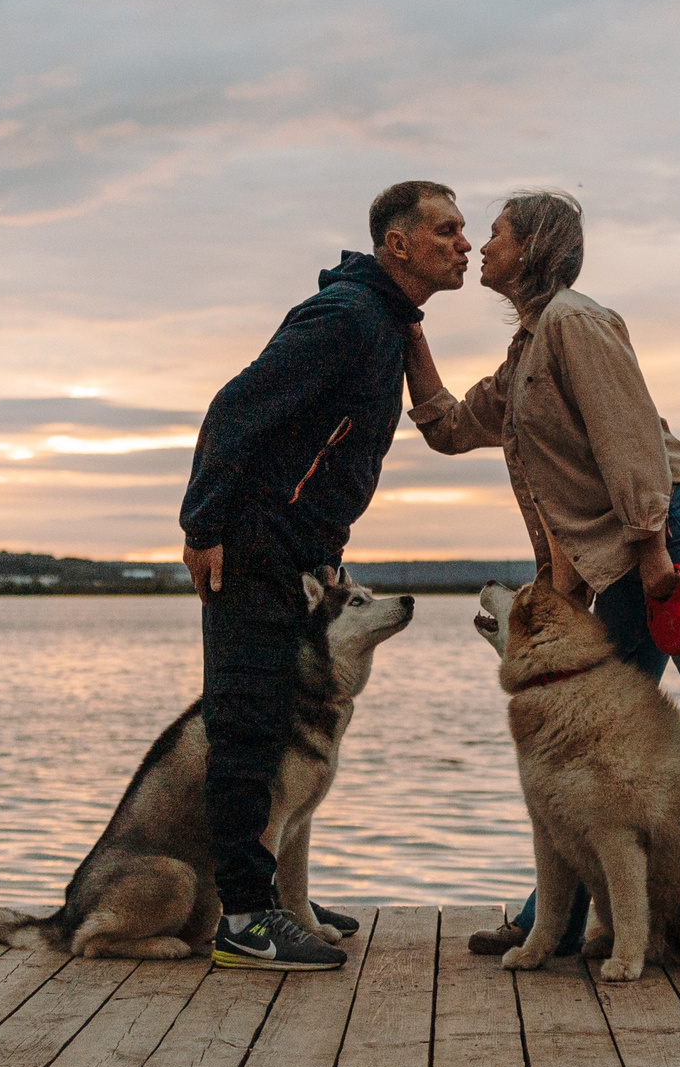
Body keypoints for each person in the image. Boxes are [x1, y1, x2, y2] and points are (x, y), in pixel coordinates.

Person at [405, 189, 680, 987]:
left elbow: (629, 437)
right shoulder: (528, 353)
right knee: (575, 742)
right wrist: (406, 326)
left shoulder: (576, 321)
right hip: (626, 556)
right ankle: (555, 920)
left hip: (672, 538)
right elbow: (446, 425)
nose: (480, 244)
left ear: (532, 245)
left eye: (494, 231)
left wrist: (654, 560)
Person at [179, 180, 470, 969]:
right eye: (446, 230)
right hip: (252, 546)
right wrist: (203, 524)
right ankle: (243, 918)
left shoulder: (383, 320)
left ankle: (273, 896)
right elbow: (234, 407)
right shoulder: (345, 317)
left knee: (282, 722)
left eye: (466, 230)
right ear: (397, 244)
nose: (464, 244)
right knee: (245, 725)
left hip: (301, 553)